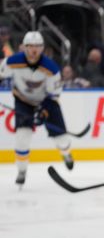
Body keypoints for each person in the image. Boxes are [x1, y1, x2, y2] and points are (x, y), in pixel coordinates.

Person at [0, 31, 74, 188]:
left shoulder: (51, 68)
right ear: (24, 47)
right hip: (23, 100)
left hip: (46, 101)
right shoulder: (12, 62)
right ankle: (21, 171)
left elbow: (53, 95)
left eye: (38, 47)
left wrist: (44, 112)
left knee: (61, 137)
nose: (34, 50)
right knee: (22, 136)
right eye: (30, 47)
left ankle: (66, 154)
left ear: (43, 48)